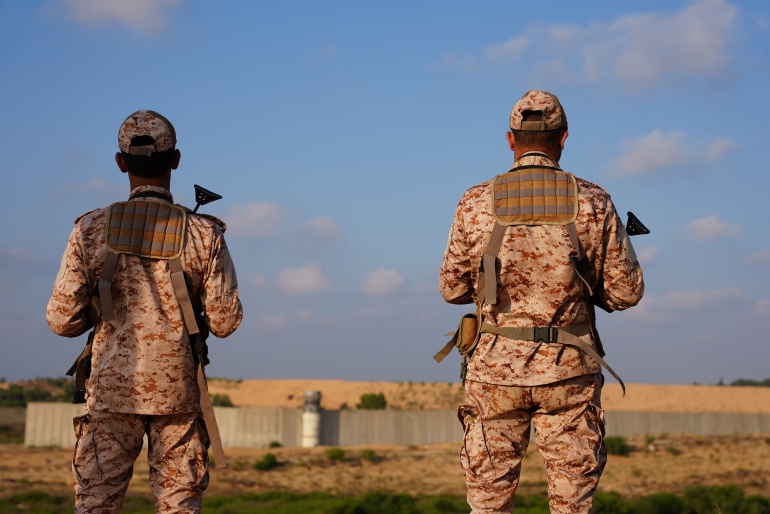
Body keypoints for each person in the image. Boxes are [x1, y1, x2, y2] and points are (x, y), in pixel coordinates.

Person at [439, 90, 644, 513]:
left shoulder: (476, 201)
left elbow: (452, 290)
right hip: (569, 371)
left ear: (510, 140)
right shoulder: (593, 200)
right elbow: (627, 293)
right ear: (564, 138)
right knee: (572, 506)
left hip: (494, 372)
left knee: (488, 504)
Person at [47, 110, 243, 514]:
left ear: (121, 162)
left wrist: (100, 310)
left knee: (96, 504)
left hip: (110, 392)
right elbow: (225, 322)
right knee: (178, 507)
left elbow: (61, 321)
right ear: (175, 160)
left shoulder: (90, 229)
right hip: (178, 396)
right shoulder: (204, 233)